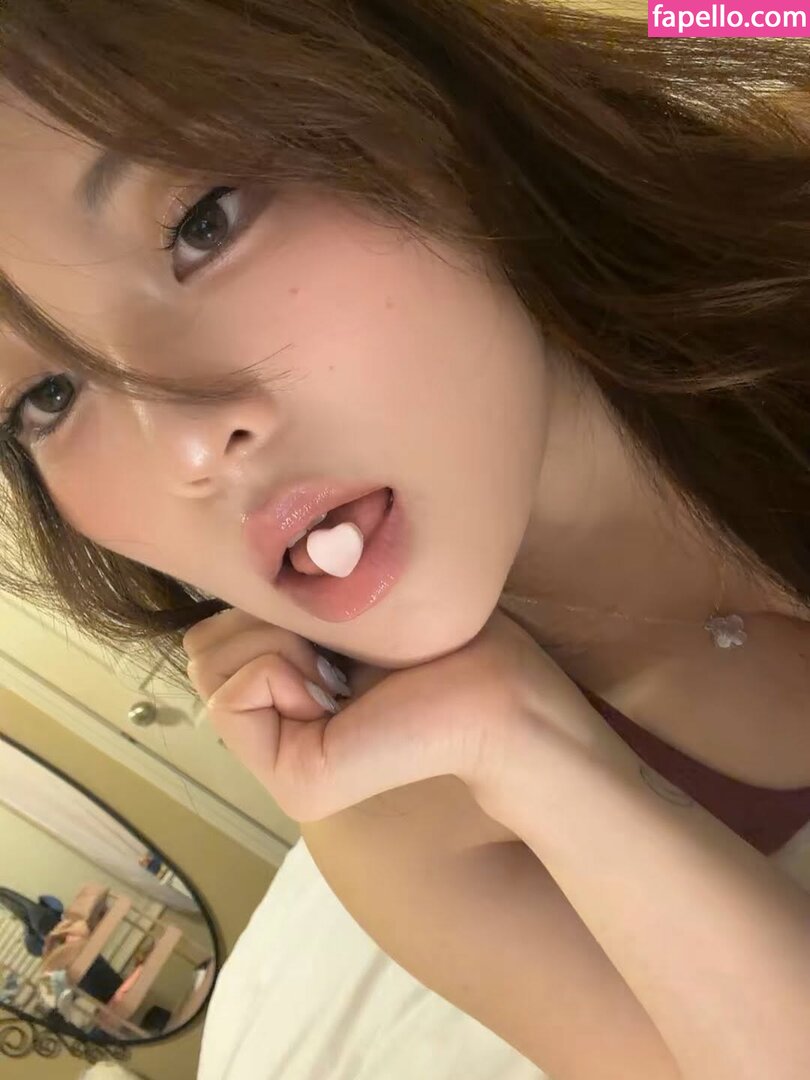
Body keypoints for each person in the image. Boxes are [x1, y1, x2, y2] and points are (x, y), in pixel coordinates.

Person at [1, 2, 809, 1075]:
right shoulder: (408, 820)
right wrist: (535, 754)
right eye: (48, 398)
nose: (185, 447)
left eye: (205, 223)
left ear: (415, 104)